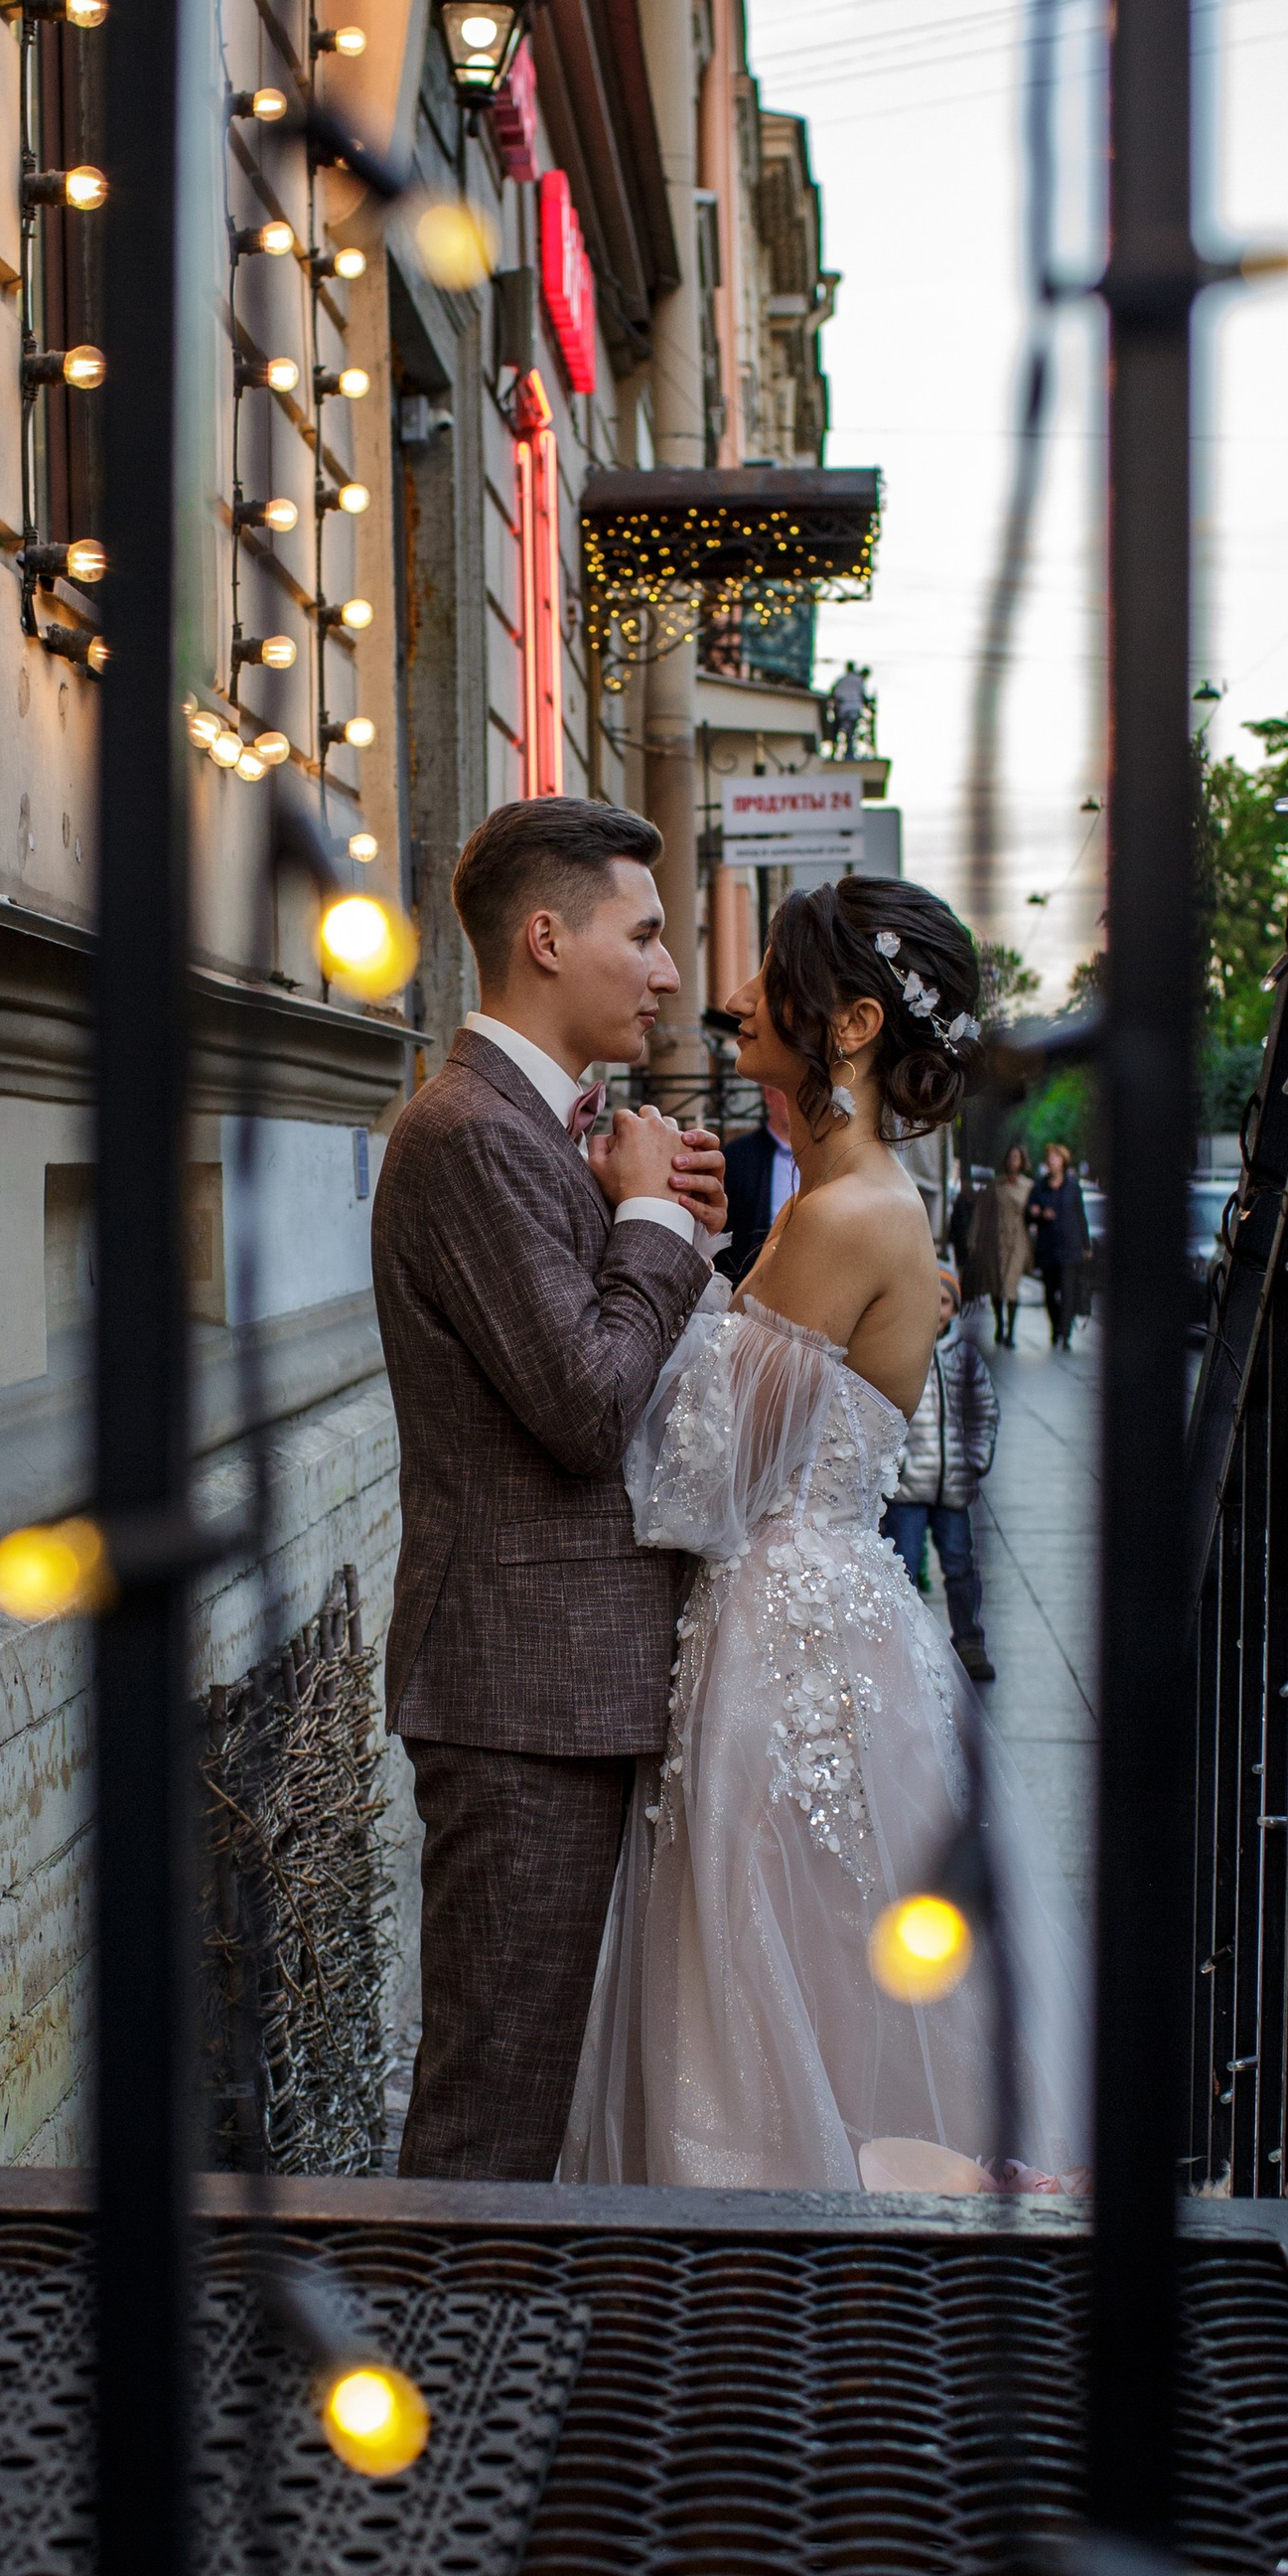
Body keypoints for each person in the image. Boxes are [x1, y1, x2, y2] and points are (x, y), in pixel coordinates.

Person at [562, 876, 1087, 2195]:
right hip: (821, 1617)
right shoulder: (843, 1203)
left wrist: (658, 1238)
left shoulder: (846, 1216)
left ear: (849, 1023)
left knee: (766, 1994)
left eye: (773, 986)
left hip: (781, 1644)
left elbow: (697, 1486)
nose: (738, 1004)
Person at [371, 796, 728, 2181]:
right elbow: (585, 1407)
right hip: (520, 1699)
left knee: (546, 2090)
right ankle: (435, 2380)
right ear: (544, 937)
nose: (668, 972)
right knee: (492, 2108)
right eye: (642, 935)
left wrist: (664, 1221)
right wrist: (646, 1224)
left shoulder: (540, 1133)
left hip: (566, 1688)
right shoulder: (465, 1134)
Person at [883, 1265, 997, 1686]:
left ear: (955, 1307)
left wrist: (975, 1459)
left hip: (953, 1488)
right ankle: (904, 1642)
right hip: (909, 1487)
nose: (936, 1310)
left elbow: (985, 1413)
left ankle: (969, 1640)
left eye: (944, 1301)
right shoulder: (900, 1350)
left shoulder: (964, 1357)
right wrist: (894, 1467)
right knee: (904, 1564)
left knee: (960, 1565)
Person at [719, 1079, 799, 1285]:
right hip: (752, 1282)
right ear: (768, 1094)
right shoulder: (737, 1156)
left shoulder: (827, 1157)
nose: (798, 1098)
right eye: (788, 1088)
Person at [1025, 1139, 1089, 1350]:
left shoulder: (1073, 1186)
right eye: (1049, 1159)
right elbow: (1028, 1214)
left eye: (1056, 1158)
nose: (1052, 1162)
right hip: (1048, 1249)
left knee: (1069, 1292)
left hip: (1070, 1248)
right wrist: (1039, 1214)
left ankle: (1066, 1333)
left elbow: (1081, 1217)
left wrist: (1086, 1245)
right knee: (1050, 1292)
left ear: (1063, 1162)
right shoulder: (1039, 1186)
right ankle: (1056, 1327)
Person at [972, 1141, 1033, 1346]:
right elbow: (981, 1213)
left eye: (1017, 1158)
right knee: (996, 1286)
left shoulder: (1028, 1187)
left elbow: (1033, 1215)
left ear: (1023, 1161)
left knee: (1011, 1285)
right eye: (1010, 1157)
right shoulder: (995, 1185)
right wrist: (974, 1240)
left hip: (1017, 1241)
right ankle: (1000, 1324)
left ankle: (1011, 1333)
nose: (1012, 1161)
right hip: (995, 1241)